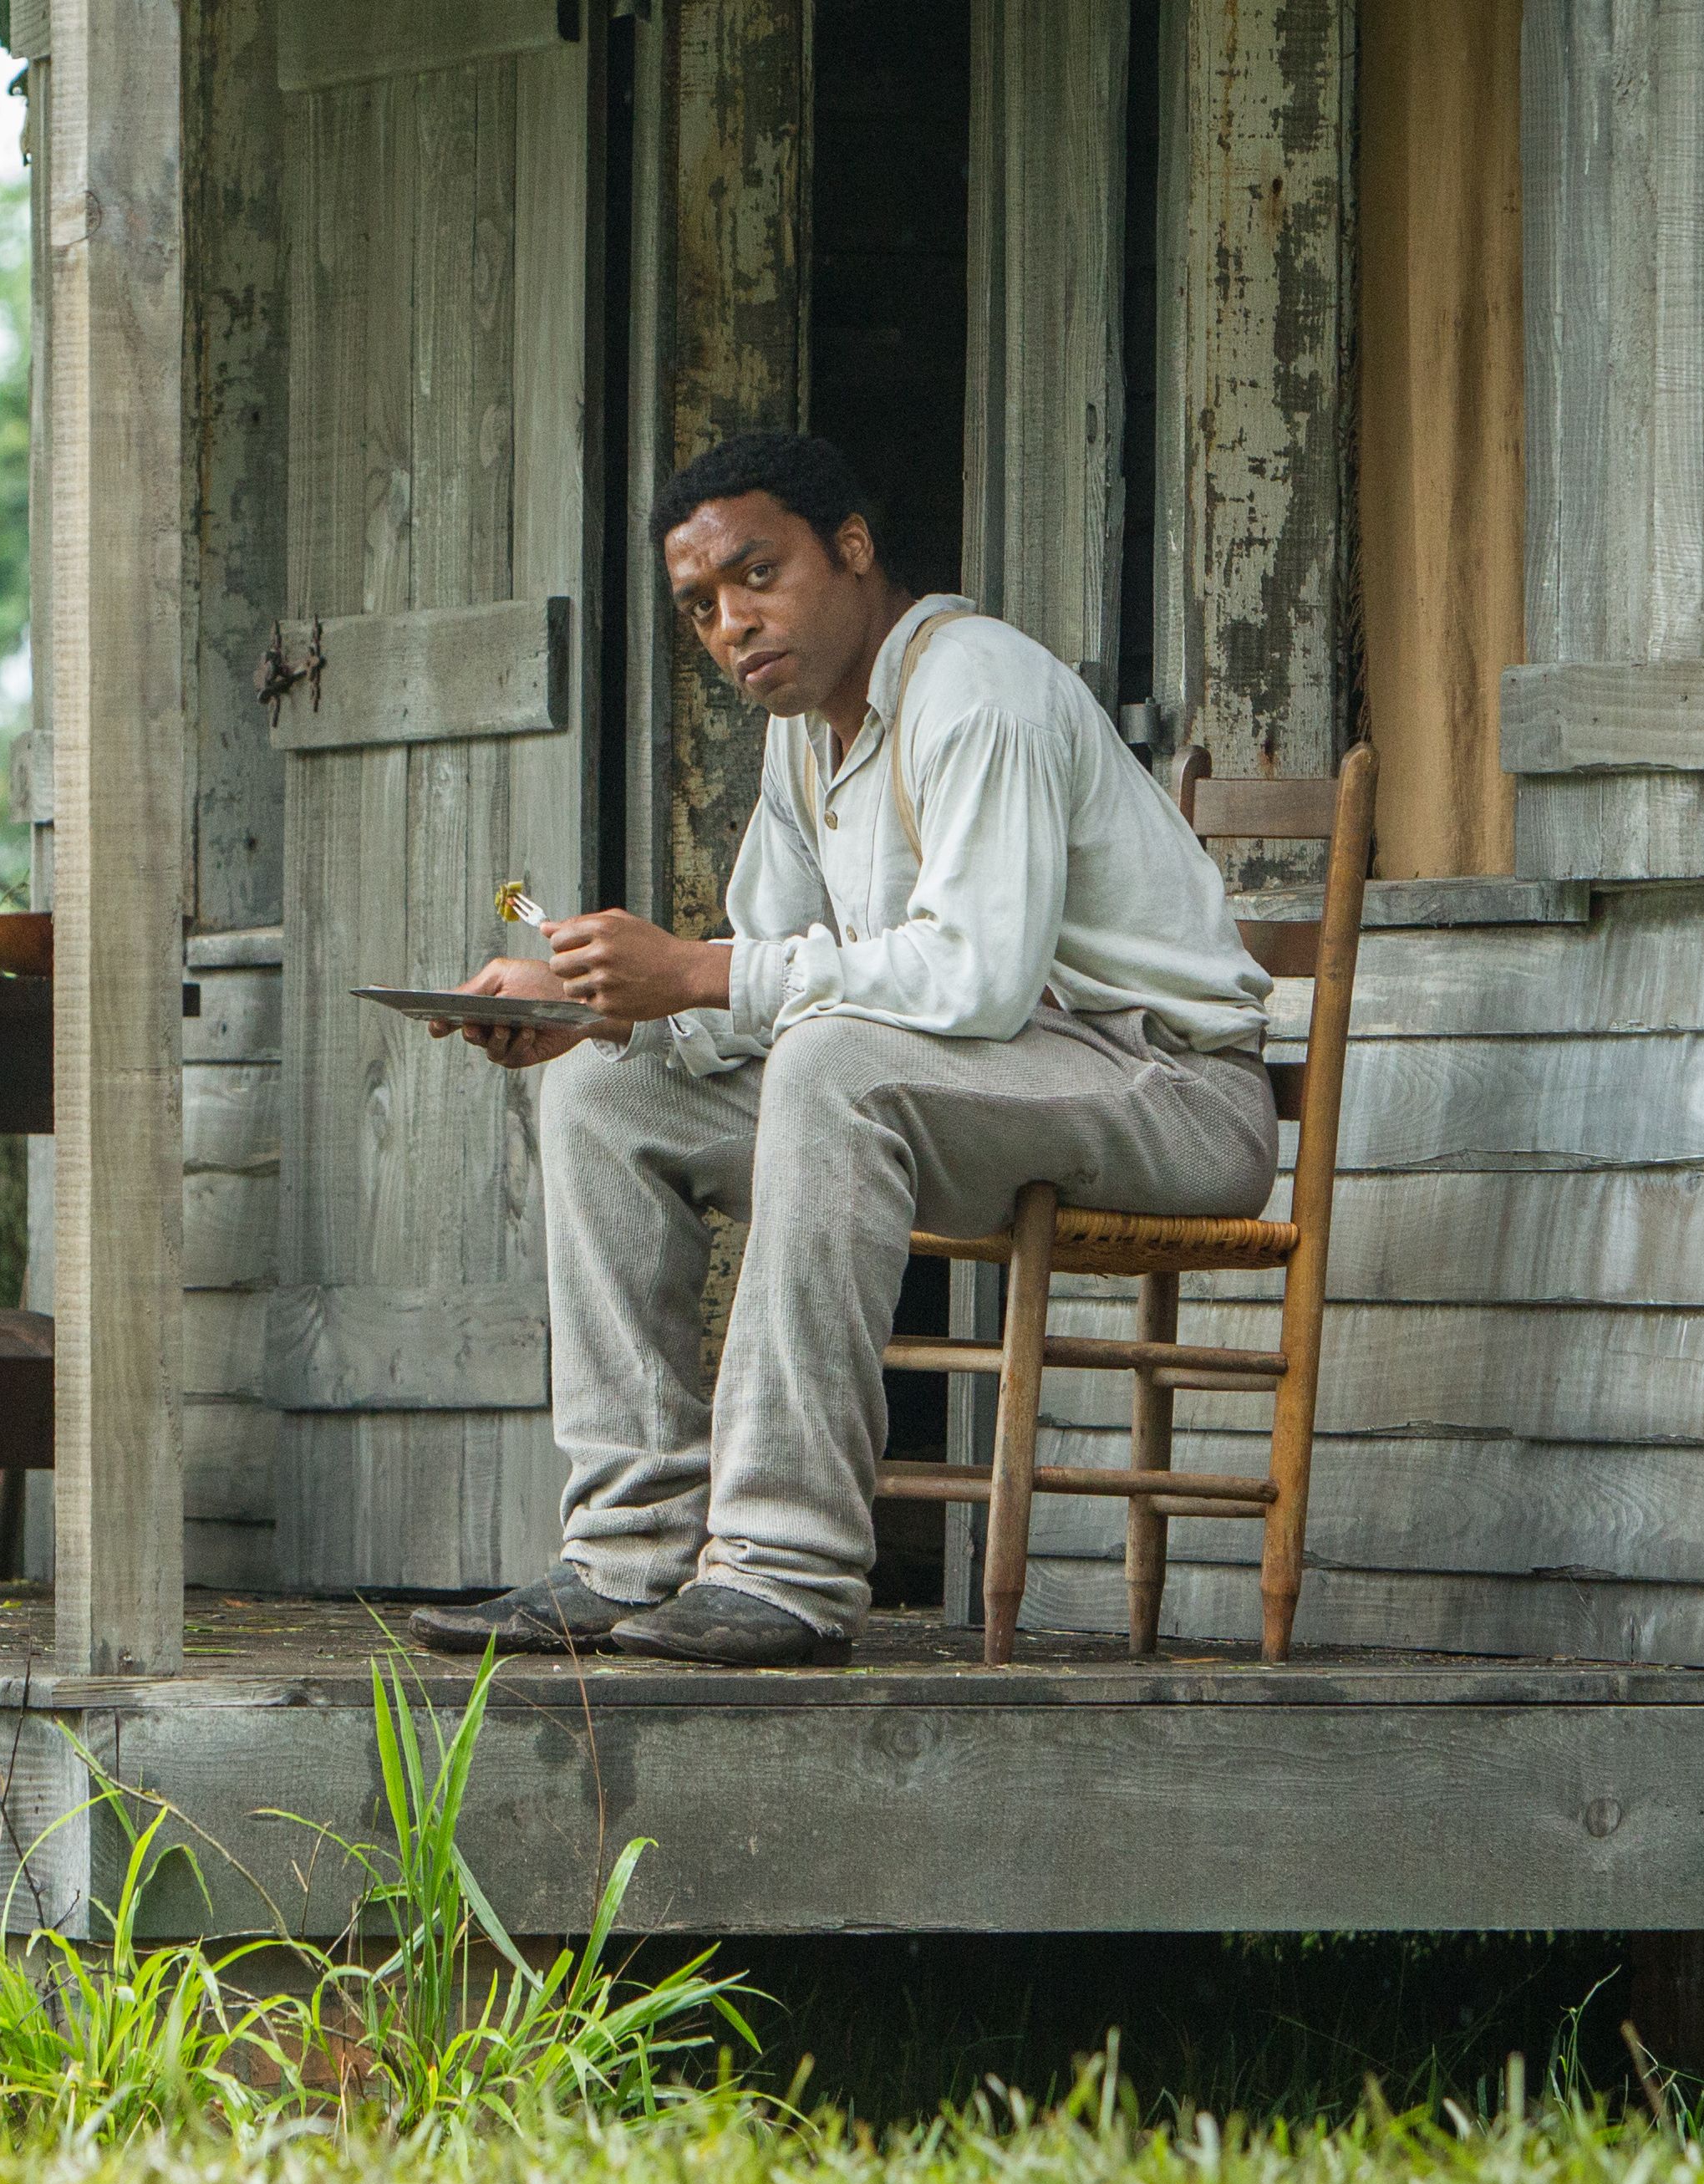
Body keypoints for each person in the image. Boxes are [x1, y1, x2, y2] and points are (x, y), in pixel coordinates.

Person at [402, 432, 1276, 1669]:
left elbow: (972, 977)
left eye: (758, 574)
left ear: (853, 549)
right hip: (987, 1083)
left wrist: (695, 971)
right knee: (610, 1088)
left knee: (833, 1064)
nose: (731, 624)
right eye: (701, 605)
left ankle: (783, 1573)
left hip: (1171, 1098)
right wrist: (599, 1006)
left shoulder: (976, 687)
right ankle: (629, 1551)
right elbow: (771, 973)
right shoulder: (806, 737)